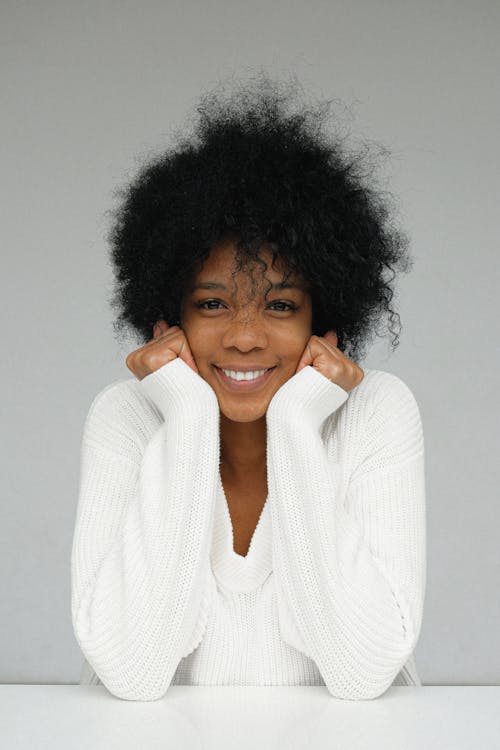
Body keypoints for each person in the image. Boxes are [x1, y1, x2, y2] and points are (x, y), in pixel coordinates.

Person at [71, 72, 426, 701]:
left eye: (281, 306)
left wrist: (295, 425)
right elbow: (133, 672)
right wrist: (183, 416)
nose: (243, 337)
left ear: (325, 320)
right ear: (167, 319)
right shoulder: (127, 417)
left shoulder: (375, 413)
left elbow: (363, 672)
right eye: (211, 304)